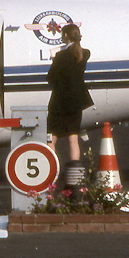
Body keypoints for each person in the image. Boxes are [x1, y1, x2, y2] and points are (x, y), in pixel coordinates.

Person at [46, 24, 94, 189]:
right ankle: (75, 178)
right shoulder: (85, 54)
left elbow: (50, 78)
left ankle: (51, 174)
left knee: (51, 138)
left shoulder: (61, 56)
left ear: (66, 36)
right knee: (73, 139)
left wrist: (55, 61)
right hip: (76, 102)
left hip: (59, 102)